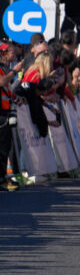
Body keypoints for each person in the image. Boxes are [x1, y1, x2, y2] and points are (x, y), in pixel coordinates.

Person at [0, 42, 21, 191]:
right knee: (2, 148)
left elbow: (6, 89)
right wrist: (15, 71)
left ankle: (2, 177)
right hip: (0, 113)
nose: (11, 55)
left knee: (5, 147)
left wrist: (17, 98)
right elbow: (1, 82)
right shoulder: (5, 71)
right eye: (9, 52)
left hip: (5, 112)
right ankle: (1, 179)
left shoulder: (4, 69)